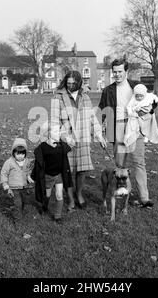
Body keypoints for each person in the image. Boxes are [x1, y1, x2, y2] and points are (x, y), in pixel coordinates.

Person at [98, 59, 158, 208]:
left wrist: (150, 110)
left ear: (126, 71)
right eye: (115, 72)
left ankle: (144, 198)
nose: (117, 74)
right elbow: (100, 112)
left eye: (120, 71)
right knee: (120, 165)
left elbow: (151, 101)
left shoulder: (136, 86)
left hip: (135, 128)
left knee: (139, 162)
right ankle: (120, 191)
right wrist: (98, 133)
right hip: (117, 128)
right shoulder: (108, 91)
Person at [51, 70, 107, 211]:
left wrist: (99, 135)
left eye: (73, 84)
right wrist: (64, 137)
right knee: (67, 170)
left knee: (82, 169)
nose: (70, 86)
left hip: (83, 137)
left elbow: (92, 118)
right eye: (68, 83)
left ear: (79, 83)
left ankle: (79, 194)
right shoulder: (57, 97)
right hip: (67, 138)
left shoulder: (85, 96)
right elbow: (54, 121)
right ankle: (70, 199)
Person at [30, 121, 73, 223]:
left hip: (59, 175)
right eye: (55, 131)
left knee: (59, 195)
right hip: (47, 176)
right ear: (49, 133)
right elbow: (39, 163)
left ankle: (57, 216)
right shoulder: (43, 147)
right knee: (47, 195)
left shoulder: (62, 146)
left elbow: (70, 146)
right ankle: (44, 206)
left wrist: (70, 141)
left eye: (59, 131)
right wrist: (33, 175)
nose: (58, 133)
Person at [0, 138, 33, 221]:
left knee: (24, 202)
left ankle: (20, 212)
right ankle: (17, 219)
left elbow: (29, 170)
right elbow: (4, 173)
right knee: (17, 203)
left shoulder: (27, 161)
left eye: (22, 154)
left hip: (24, 187)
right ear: (13, 153)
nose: (20, 156)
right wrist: (5, 184)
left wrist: (28, 176)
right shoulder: (9, 162)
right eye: (18, 154)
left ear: (25, 153)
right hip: (14, 187)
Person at [124, 83, 158, 149]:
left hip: (147, 115)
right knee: (139, 125)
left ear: (144, 94)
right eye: (137, 96)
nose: (139, 98)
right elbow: (129, 106)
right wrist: (131, 112)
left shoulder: (149, 96)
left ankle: (146, 135)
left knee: (147, 125)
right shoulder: (133, 99)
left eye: (141, 96)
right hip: (138, 115)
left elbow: (154, 97)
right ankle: (139, 134)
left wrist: (157, 100)